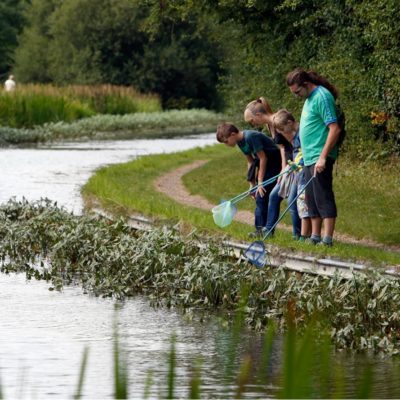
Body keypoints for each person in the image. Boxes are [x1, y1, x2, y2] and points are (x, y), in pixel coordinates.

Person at [286, 68, 341, 246]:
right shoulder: (309, 98)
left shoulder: (322, 97)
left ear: (306, 84)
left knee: (323, 196)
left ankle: (328, 238)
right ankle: (315, 236)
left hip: (320, 156)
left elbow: (334, 129)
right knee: (311, 199)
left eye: (297, 91)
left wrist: (323, 157)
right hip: (309, 158)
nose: (296, 95)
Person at [216, 123, 281, 235]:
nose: (226, 144)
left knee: (263, 196)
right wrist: (252, 184)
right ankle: (261, 230)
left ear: (232, 134)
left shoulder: (251, 137)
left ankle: (265, 230)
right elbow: (250, 161)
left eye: (226, 141)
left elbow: (263, 158)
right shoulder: (240, 142)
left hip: (274, 163)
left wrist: (260, 182)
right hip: (264, 165)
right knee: (258, 196)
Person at [271, 109, 311, 240]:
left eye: (282, 130)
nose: (282, 133)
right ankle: (299, 234)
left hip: (304, 173)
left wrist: (299, 163)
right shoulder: (294, 135)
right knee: (294, 202)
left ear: (289, 122)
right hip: (297, 172)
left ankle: (301, 235)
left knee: (299, 203)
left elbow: (305, 152)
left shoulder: (302, 133)